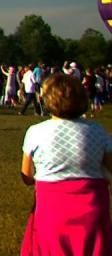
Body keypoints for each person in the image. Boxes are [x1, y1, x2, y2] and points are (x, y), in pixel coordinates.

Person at [19, 73, 112, 255]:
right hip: (92, 208)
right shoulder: (98, 131)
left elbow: (27, 176)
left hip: (51, 210)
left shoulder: (36, 132)